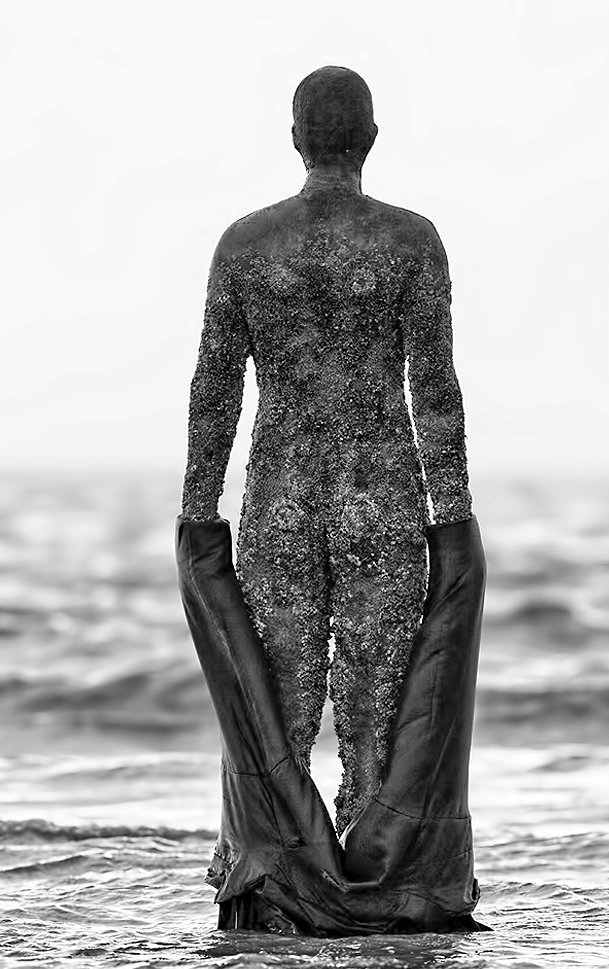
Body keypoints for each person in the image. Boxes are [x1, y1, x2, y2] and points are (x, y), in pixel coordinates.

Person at [180, 65, 474, 836]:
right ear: (371, 139)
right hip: (381, 493)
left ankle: (273, 875)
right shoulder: (411, 242)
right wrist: (455, 519)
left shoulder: (246, 245)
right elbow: (434, 391)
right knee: (378, 711)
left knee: (275, 704)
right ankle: (376, 890)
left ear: (295, 140)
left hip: (281, 495)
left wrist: (196, 512)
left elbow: (215, 393)